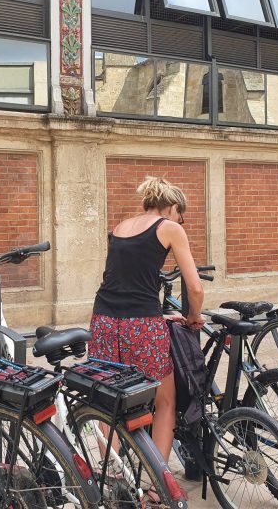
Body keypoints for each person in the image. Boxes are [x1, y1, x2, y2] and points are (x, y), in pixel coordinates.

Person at [90, 175, 205, 463]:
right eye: (182, 215)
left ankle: (111, 474)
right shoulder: (169, 228)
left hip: (103, 320)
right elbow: (195, 288)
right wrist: (193, 317)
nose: (182, 222)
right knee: (165, 401)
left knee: (113, 397)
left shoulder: (120, 227)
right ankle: (158, 487)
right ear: (172, 207)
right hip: (141, 324)